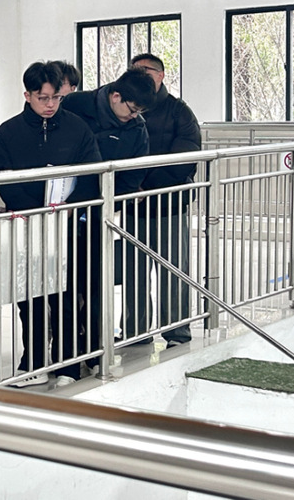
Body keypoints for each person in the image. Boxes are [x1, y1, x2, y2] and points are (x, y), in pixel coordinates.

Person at [0, 62, 100, 387]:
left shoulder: (77, 128)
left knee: (65, 296)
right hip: (27, 227)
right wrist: (32, 208)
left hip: (65, 226)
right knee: (30, 299)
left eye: (56, 98)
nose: (50, 105)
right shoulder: (9, 131)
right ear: (27, 95)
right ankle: (33, 362)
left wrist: (70, 206)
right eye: (43, 98)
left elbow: (92, 172)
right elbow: (2, 177)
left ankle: (67, 365)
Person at [62, 67, 156, 360]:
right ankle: (62, 349)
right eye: (132, 108)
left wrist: (108, 204)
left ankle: (93, 348)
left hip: (98, 212)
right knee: (63, 283)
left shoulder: (137, 129)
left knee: (94, 282)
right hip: (61, 208)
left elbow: (133, 174)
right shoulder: (76, 105)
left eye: (140, 111)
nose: (135, 115)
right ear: (116, 96)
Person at [131, 53, 201, 346]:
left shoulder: (179, 111)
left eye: (145, 71)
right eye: (134, 71)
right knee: (134, 273)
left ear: (160, 75)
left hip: (169, 204)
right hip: (133, 206)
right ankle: (135, 331)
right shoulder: (126, 110)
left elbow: (185, 158)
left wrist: (146, 184)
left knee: (173, 270)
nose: (140, 76)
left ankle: (176, 331)